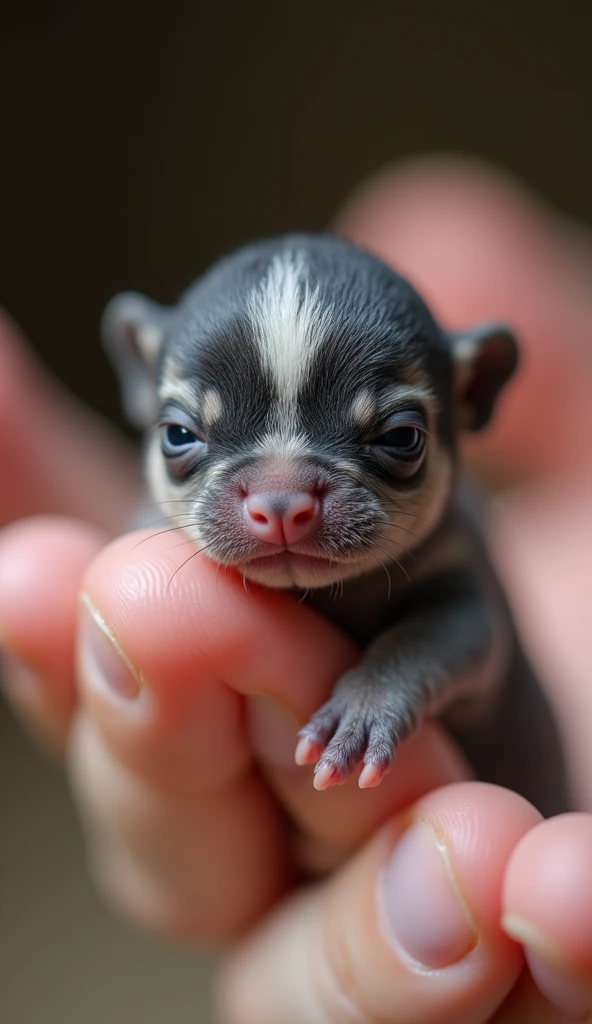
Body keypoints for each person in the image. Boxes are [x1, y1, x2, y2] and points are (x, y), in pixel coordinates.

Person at [1, 155, 591, 1023]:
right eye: (186, 437)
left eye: (391, 439)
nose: (281, 504)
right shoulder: (151, 545)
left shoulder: (456, 547)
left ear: (472, 392)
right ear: (141, 367)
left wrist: (393, 681)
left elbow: (470, 629)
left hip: (536, 815)